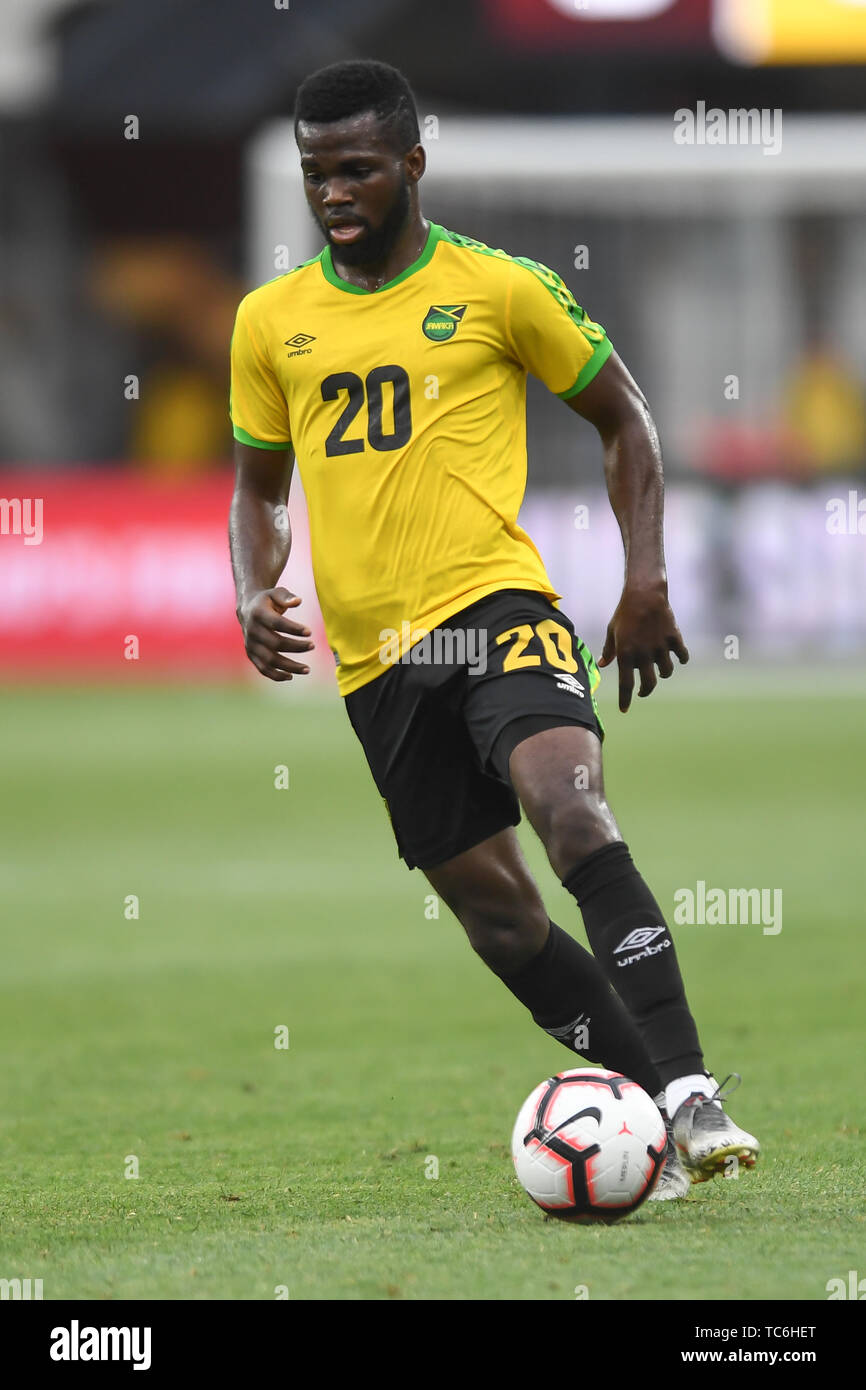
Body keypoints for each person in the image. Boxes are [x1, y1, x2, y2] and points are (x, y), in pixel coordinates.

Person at [228, 59, 759, 1200]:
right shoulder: (269, 322)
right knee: (499, 917)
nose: (333, 191)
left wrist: (645, 578)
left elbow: (625, 419)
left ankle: (688, 1091)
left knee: (567, 807)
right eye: (316, 171)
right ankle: (650, 1122)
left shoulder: (500, 287)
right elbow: (260, 488)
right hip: (375, 664)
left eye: (357, 167)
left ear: (412, 164)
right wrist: (252, 587)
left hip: (495, 611)